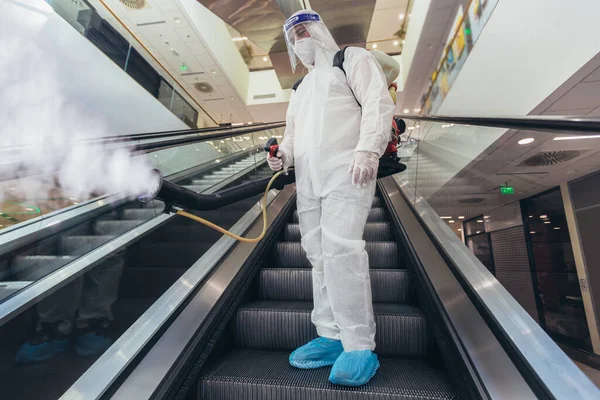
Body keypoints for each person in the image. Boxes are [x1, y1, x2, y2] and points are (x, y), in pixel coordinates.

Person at [267, 9, 395, 386]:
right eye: (292, 37)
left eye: (303, 31)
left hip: (348, 171)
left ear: (319, 30)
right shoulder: (300, 90)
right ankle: (329, 334)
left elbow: (376, 101)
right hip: (309, 180)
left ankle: (358, 344)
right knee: (317, 254)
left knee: (342, 250)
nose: (299, 40)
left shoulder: (351, 59)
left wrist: (369, 149)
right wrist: (281, 155)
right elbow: (291, 138)